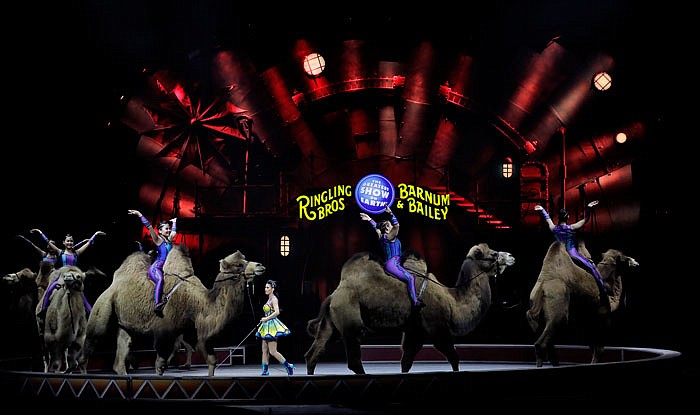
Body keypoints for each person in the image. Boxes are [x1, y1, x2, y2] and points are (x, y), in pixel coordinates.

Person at [535, 200, 608, 298]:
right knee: (591, 267)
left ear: (558, 218)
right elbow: (586, 219)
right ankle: (603, 292)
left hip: (559, 254)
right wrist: (589, 208)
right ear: (568, 217)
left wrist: (542, 210)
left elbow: (547, 219)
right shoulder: (572, 227)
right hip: (571, 253)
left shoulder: (553, 228)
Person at [360, 205, 425, 310]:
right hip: (393, 264)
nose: (392, 227)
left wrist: (369, 219)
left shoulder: (382, 236)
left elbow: (376, 228)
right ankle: (415, 302)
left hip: (395, 263)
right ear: (386, 228)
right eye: (390, 225)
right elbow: (397, 226)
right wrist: (390, 213)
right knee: (410, 278)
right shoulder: (390, 236)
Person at [34, 229, 105, 316]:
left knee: (82, 295)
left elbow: (88, 243)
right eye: (68, 241)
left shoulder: (77, 253)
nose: (69, 242)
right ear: (64, 242)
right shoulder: (60, 252)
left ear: (73, 242)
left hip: (74, 277)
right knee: (49, 291)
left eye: (71, 241)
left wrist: (95, 234)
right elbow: (48, 241)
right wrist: (40, 232)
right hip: (62, 277)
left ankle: (91, 314)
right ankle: (43, 311)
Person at [128, 209, 177, 315]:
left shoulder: (170, 240)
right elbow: (149, 226)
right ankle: (157, 305)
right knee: (160, 280)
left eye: (168, 229)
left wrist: (174, 222)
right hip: (156, 268)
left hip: (166, 268)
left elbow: (174, 232)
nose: (168, 231)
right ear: (160, 231)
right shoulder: (158, 240)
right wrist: (140, 214)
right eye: (166, 229)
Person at [255, 279, 294, 376]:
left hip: (272, 326)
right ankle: (265, 370)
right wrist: (264, 320)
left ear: (272, 289)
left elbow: (277, 312)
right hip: (266, 325)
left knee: (272, 351)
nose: (265, 289)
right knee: (264, 350)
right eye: (265, 287)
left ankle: (288, 366)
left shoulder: (274, 299)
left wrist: (266, 318)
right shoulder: (269, 299)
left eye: (267, 287)